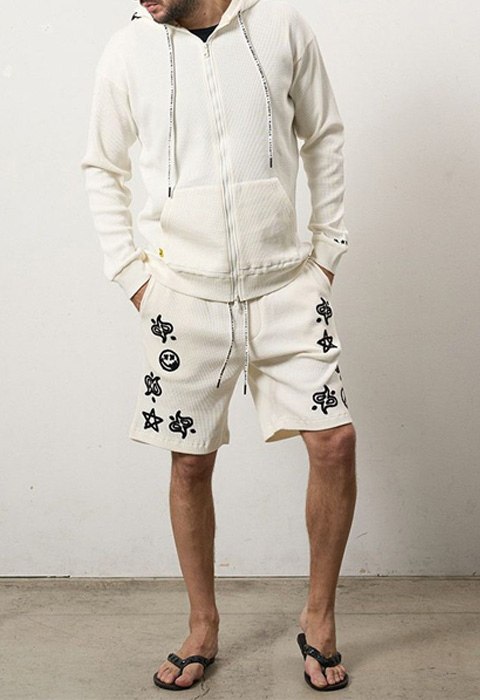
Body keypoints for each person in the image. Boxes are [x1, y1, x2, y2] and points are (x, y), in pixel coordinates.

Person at [80, 0, 357, 691]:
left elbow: (323, 135)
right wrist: (134, 278)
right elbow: (102, 167)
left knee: (334, 442)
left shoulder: (282, 27)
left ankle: (319, 618)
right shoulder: (127, 52)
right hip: (183, 295)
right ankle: (202, 623)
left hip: (286, 286)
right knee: (189, 463)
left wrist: (326, 253)